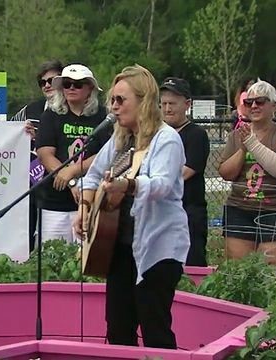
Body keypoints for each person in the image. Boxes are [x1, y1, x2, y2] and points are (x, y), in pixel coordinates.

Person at [73, 65, 189, 349]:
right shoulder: (120, 139)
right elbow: (92, 175)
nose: (113, 106)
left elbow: (161, 184)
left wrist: (129, 185)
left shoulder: (167, 139)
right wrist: (85, 207)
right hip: (119, 248)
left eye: (120, 100)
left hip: (157, 249)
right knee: (118, 329)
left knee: (155, 330)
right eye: (112, 100)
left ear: (143, 101)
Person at [218, 81, 276, 265]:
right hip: (240, 207)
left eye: (260, 102)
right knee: (238, 268)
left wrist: (252, 143)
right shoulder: (238, 135)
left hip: (275, 208)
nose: (253, 106)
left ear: (274, 106)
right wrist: (243, 150)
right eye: (249, 102)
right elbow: (225, 173)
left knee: (272, 268)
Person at [35, 64, 109, 243]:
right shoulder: (51, 115)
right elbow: (45, 153)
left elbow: (106, 153)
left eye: (78, 84)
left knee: (85, 262)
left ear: (90, 88)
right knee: (51, 258)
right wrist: (71, 181)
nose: (71, 88)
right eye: (66, 84)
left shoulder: (102, 116)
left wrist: (74, 170)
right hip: (54, 202)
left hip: (91, 200)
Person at [10, 60, 63, 251]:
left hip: (60, 182)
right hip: (31, 182)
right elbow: (6, 132)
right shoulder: (30, 110)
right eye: (43, 82)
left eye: (52, 80)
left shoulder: (69, 109)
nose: (47, 85)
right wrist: (18, 131)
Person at [160, 77, 210, 266]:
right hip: (162, 213)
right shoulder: (158, 135)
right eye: (163, 104)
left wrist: (155, 183)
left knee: (191, 267)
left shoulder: (196, 135)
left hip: (188, 213)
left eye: (172, 103)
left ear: (187, 104)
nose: (167, 109)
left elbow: (185, 172)